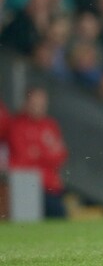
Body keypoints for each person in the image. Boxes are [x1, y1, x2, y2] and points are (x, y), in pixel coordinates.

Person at [2, 87, 68, 217]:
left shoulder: (50, 125)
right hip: (26, 185)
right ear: (26, 103)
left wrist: (38, 153)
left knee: (60, 218)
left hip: (51, 185)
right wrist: (46, 154)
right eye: (34, 103)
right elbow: (23, 157)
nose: (38, 107)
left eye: (41, 104)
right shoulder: (16, 125)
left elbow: (61, 155)